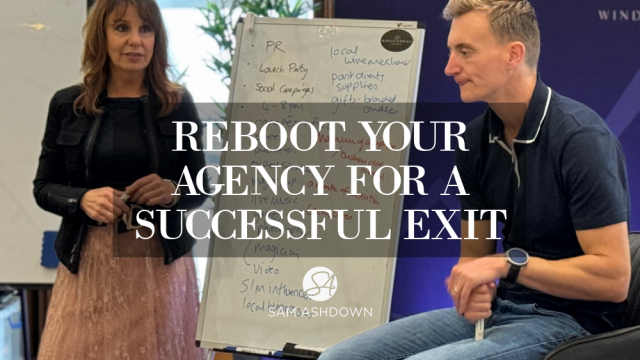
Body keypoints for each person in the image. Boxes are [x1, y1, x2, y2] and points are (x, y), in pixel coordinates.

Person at [318, 0, 630, 359]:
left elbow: (614, 279)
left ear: (513, 54)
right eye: (451, 51)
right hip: (501, 311)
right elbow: (473, 258)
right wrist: (471, 288)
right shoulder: (474, 141)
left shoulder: (581, 139)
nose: (450, 67)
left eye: (465, 51)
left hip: (573, 323)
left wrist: (507, 265)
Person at [33, 0, 208, 359]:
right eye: (122, 28)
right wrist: (81, 200)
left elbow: (201, 186)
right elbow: (43, 187)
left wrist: (173, 191)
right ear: (102, 35)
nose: (136, 40)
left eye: (146, 29)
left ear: (157, 38)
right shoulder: (69, 105)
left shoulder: (177, 103)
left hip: (161, 266)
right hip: (90, 266)